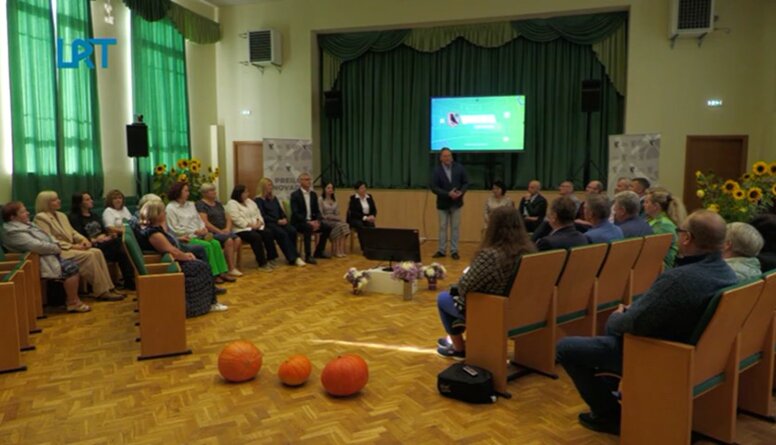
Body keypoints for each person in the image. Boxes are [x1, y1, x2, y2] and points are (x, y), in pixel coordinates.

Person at [556, 210, 737, 435]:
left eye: (680, 232)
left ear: (687, 238)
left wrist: (617, 315)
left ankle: (608, 415)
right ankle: (614, 392)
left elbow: (627, 325)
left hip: (655, 354)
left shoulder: (679, 279)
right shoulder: (728, 274)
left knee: (566, 348)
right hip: (700, 357)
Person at [436, 206, 536, 359]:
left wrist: (467, 274)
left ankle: (459, 349)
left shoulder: (491, 255)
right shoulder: (529, 251)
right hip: (520, 310)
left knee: (443, 298)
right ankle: (461, 333)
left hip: (491, 310)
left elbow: (465, 286)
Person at [134, 200, 227, 317]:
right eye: (163, 212)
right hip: (171, 264)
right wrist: (186, 256)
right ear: (157, 214)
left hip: (172, 259)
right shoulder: (154, 234)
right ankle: (202, 305)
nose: (165, 213)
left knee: (202, 264)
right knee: (202, 267)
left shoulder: (153, 228)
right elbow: (171, 250)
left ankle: (210, 302)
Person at [33, 191, 125, 301]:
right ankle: (101, 291)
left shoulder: (61, 215)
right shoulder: (41, 218)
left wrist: (83, 240)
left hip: (72, 248)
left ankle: (109, 288)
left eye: (58, 198)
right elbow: (50, 240)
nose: (59, 201)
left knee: (97, 252)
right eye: (54, 200)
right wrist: (74, 247)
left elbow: (72, 232)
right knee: (89, 256)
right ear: (46, 203)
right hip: (60, 251)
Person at [2, 202, 89, 312]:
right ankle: (73, 302)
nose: (28, 213)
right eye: (23, 212)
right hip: (33, 261)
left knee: (74, 263)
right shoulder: (12, 232)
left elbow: (48, 236)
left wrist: (56, 244)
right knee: (71, 268)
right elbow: (35, 246)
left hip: (47, 255)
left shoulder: (27, 224)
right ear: (12, 217)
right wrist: (56, 247)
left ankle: (73, 301)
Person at [165, 181, 236, 284]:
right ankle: (213, 274)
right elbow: (174, 228)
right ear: (178, 192)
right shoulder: (171, 208)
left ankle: (223, 272)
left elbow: (199, 219)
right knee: (207, 246)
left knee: (215, 243)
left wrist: (203, 229)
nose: (188, 193)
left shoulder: (190, 204)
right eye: (186, 191)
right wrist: (194, 231)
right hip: (187, 237)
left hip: (200, 233)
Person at [68, 192, 136, 291]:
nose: (91, 201)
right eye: (87, 199)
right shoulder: (74, 217)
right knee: (120, 244)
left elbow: (103, 230)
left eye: (91, 198)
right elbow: (79, 236)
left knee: (122, 250)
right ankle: (129, 280)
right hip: (91, 246)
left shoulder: (93, 215)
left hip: (104, 243)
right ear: (79, 203)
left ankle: (128, 280)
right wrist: (96, 239)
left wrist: (107, 236)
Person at [255, 177, 306, 267]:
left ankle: (292, 255)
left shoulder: (274, 198)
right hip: (269, 223)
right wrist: (277, 221)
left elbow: (280, 211)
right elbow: (263, 216)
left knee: (292, 230)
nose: (271, 187)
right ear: (263, 187)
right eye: (269, 185)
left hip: (279, 221)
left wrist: (284, 218)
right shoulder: (258, 200)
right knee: (281, 233)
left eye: (271, 185)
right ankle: (294, 257)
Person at [226, 184, 277, 271]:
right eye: (246, 192)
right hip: (241, 229)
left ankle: (271, 258)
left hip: (256, 227)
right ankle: (262, 263)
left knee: (267, 233)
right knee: (256, 237)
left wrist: (259, 222)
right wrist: (251, 225)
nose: (248, 194)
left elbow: (258, 213)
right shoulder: (232, 204)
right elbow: (236, 219)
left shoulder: (250, 201)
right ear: (239, 193)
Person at [196, 183, 243, 277]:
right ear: (204, 193)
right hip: (211, 232)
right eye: (212, 190)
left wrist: (228, 228)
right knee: (229, 240)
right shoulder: (200, 204)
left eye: (214, 190)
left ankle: (225, 263)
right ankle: (231, 268)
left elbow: (228, 217)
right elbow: (205, 223)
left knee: (238, 239)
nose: (215, 192)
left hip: (224, 231)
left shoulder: (218, 203)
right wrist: (219, 231)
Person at [431, 147, 468, 260]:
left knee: (455, 227)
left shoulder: (459, 168)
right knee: (442, 227)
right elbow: (433, 187)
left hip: (456, 203)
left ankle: (454, 251)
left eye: (449, 156)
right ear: (441, 158)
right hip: (443, 204)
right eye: (445, 156)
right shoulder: (436, 170)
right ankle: (441, 250)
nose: (448, 158)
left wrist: (461, 192)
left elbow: (466, 182)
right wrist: (448, 194)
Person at [290, 172, 331, 264]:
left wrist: (317, 221)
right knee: (308, 228)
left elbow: (317, 211)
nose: (309, 182)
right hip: (299, 222)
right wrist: (308, 222)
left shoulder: (313, 194)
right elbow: (296, 213)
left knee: (327, 227)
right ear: (300, 182)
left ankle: (319, 251)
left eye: (310, 180)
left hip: (312, 221)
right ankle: (308, 255)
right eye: (306, 179)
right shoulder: (295, 195)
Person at [643, 188, 686, 269]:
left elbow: (654, 252)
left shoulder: (663, 225)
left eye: (647, 202)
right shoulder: (654, 220)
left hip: (663, 268)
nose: (644, 205)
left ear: (656, 206)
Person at [319, 182, 350, 258]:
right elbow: (320, 213)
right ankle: (337, 250)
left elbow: (337, 212)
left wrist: (336, 217)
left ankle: (341, 249)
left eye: (332, 188)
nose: (330, 190)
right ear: (324, 189)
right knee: (340, 226)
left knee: (345, 225)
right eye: (328, 188)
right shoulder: (320, 199)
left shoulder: (335, 199)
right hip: (325, 219)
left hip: (334, 219)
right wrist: (328, 217)